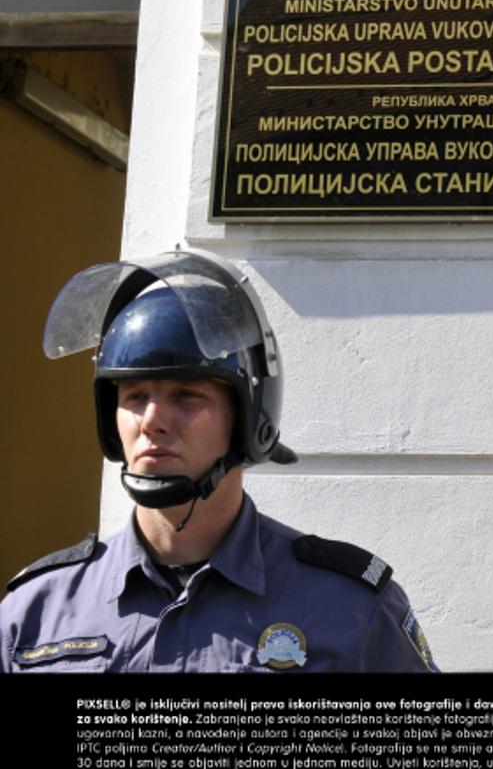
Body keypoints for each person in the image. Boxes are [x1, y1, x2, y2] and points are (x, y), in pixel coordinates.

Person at [1, 249, 439, 672]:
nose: (152, 421)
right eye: (134, 397)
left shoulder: (347, 608)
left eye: (187, 395)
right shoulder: (35, 611)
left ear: (249, 417)